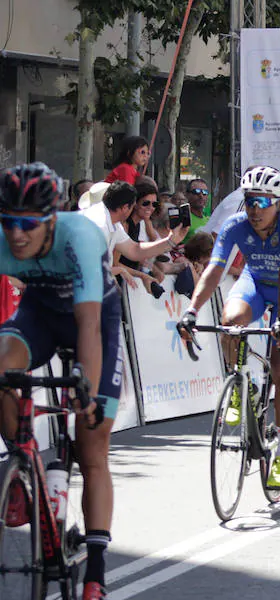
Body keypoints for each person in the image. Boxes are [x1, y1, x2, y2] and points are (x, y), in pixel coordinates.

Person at [0, 163, 122, 599]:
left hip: (92, 321)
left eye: (28, 224)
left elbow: (89, 326)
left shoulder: (80, 238)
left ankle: (96, 571)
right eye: (9, 222)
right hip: (39, 317)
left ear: (51, 219)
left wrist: (85, 390)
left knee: (92, 444)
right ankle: (22, 463)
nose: (17, 235)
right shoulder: (4, 240)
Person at [177, 166, 280, 489]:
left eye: (262, 203)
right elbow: (213, 272)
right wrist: (192, 310)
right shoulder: (236, 225)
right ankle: (240, 387)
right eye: (250, 201)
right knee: (230, 323)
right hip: (255, 283)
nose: (254, 209)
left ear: (278, 204)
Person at [81, 182, 188, 290]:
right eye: (145, 203)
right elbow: (89, 270)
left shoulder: (113, 223)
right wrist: (119, 271)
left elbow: (134, 250)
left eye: (154, 204)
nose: (151, 208)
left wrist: (170, 241)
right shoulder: (99, 225)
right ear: (126, 207)